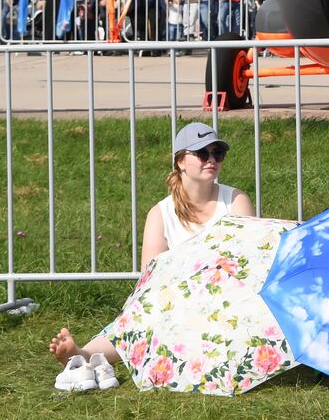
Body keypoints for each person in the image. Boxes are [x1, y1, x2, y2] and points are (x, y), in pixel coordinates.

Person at [46, 122, 254, 388]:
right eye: (203, 153)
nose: (211, 160)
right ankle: (84, 355)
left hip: (227, 295)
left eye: (218, 154)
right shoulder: (161, 213)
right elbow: (150, 278)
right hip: (181, 299)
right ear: (181, 161)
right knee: (148, 308)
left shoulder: (235, 200)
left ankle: (90, 356)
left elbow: (246, 259)